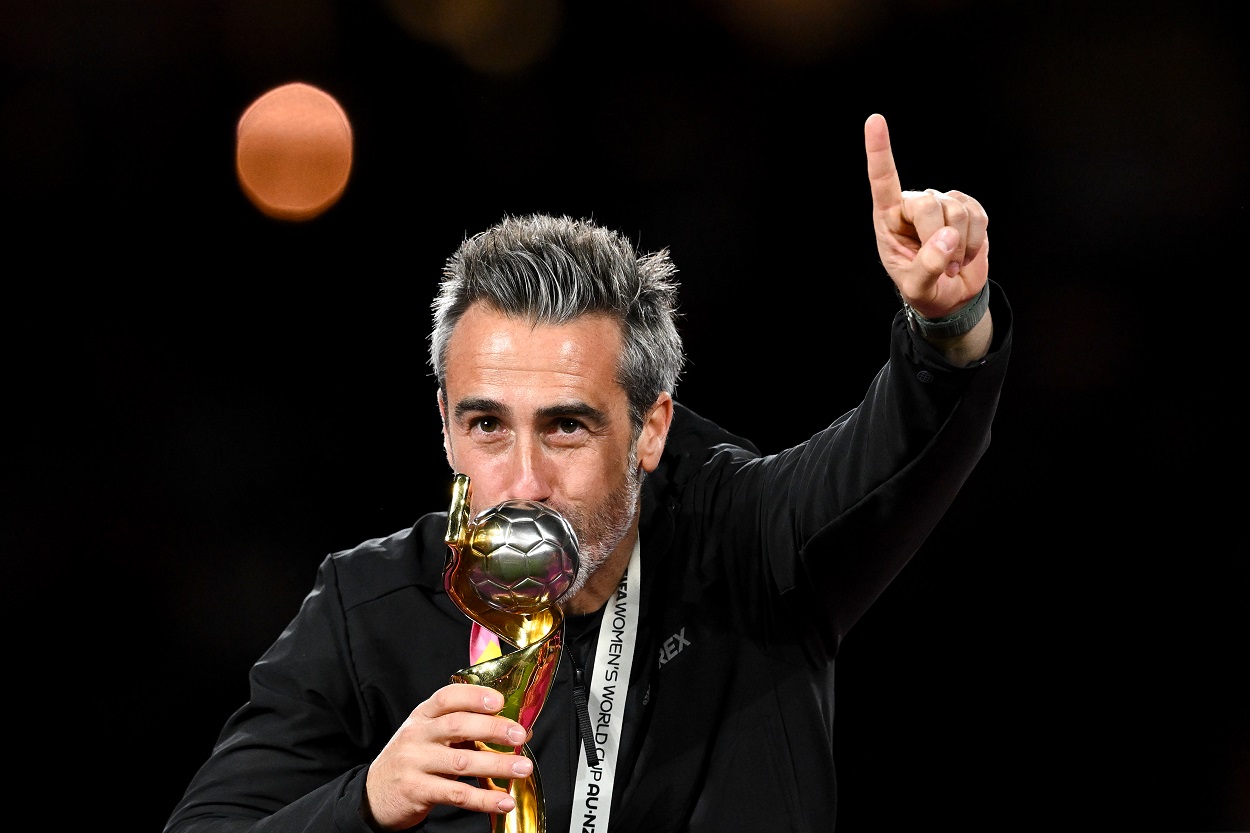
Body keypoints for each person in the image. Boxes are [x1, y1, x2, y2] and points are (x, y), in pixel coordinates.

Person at [163, 112, 1012, 833]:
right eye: (487, 424)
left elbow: (895, 450)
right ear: (446, 431)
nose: (524, 480)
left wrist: (948, 325)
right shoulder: (370, 606)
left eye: (566, 426)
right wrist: (367, 798)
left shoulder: (751, 548)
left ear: (650, 429)